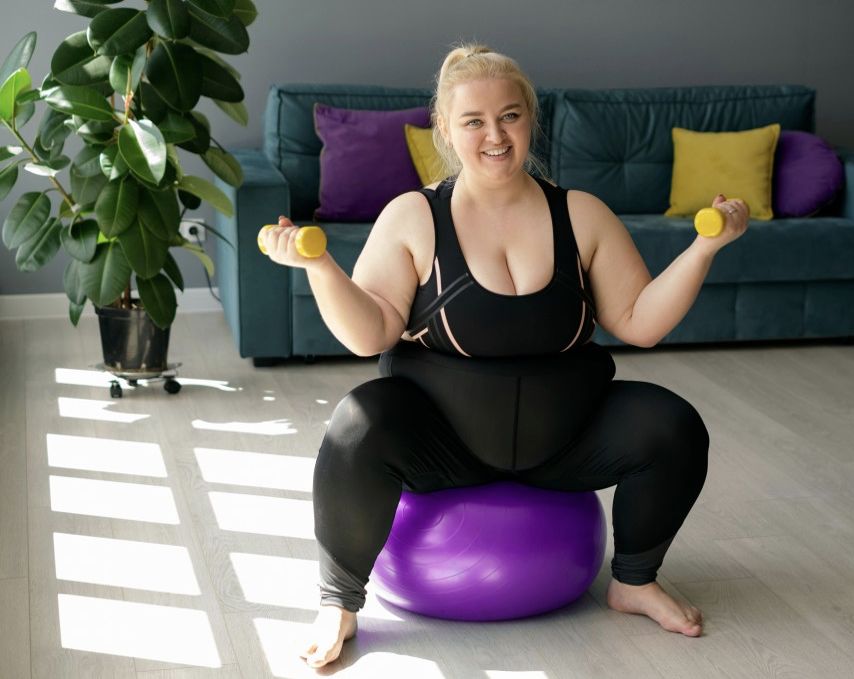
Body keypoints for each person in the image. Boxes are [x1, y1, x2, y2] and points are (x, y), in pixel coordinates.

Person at [259, 43, 749, 669]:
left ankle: (634, 580)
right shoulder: (413, 217)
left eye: (511, 116)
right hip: (444, 445)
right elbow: (369, 333)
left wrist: (707, 249)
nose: (495, 135)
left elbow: (640, 322)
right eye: (474, 121)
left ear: (531, 120)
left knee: (672, 423)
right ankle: (339, 604)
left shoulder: (581, 214)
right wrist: (318, 266)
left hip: (567, 440)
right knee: (359, 423)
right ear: (444, 129)